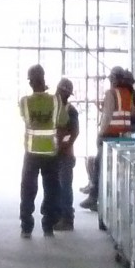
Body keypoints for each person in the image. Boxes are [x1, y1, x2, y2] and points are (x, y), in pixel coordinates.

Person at [82, 66, 135, 211]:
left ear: (115, 80)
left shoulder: (111, 94)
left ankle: (93, 197)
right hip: (123, 137)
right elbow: (132, 115)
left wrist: (100, 133)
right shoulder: (128, 95)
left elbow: (107, 116)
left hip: (109, 135)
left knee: (99, 166)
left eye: (111, 79)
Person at [17, 64, 63, 238]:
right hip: (51, 153)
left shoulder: (25, 102)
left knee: (28, 190)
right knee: (51, 189)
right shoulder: (56, 100)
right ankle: (48, 227)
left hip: (31, 153)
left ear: (30, 82)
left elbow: (25, 118)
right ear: (44, 79)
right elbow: (62, 120)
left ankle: (26, 227)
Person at [53, 78, 80, 231]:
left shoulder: (70, 110)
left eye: (61, 91)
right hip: (54, 153)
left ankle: (67, 218)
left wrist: (63, 144)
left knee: (65, 187)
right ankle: (57, 216)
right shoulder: (54, 107)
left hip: (65, 155)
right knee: (55, 186)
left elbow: (74, 133)